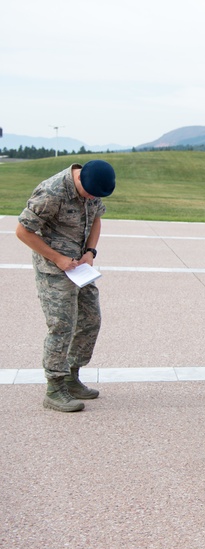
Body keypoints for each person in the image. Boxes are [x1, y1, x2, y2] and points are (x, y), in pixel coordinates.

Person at [16, 159, 116, 412]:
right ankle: (54, 387)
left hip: (80, 267)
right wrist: (57, 258)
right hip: (54, 268)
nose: (92, 197)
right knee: (61, 326)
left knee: (90, 320)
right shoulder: (52, 192)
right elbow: (22, 231)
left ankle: (72, 376)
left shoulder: (93, 186)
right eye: (89, 193)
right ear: (79, 179)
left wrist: (91, 252)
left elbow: (96, 218)